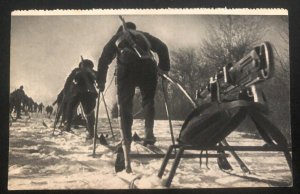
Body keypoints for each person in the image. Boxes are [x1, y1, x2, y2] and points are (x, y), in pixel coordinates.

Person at [97, 21, 170, 151]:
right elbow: (162, 47)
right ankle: (149, 135)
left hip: (127, 69)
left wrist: (101, 81)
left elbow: (104, 59)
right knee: (148, 101)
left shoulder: (118, 37)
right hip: (148, 68)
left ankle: (126, 139)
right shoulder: (143, 35)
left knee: (125, 104)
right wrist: (163, 68)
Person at [63, 58, 98, 139]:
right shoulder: (77, 71)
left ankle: (91, 132)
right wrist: (66, 91)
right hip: (80, 93)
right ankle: (68, 125)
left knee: (88, 112)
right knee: (71, 107)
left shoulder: (90, 72)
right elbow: (69, 80)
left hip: (88, 93)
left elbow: (98, 77)